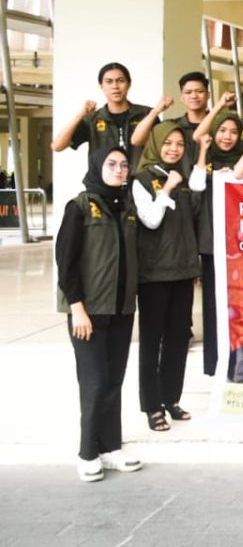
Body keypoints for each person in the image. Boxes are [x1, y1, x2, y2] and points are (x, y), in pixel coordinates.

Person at [56, 147, 143, 481]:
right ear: (97, 167)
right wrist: (77, 308)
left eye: (124, 165)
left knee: (114, 381)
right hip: (89, 312)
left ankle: (111, 447)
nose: (120, 170)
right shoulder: (79, 206)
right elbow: (66, 264)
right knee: (94, 383)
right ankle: (87, 453)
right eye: (112, 164)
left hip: (121, 310)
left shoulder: (126, 207)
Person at [132, 122, 204, 432]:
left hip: (182, 271)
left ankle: (171, 398)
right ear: (156, 145)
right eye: (168, 143)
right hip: (154, 275)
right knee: (152, 341)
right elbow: (150, 220)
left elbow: (196, 201)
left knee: (178, 337)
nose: (174, 149)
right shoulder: (141, 180)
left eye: (179, 144)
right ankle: (151, 406)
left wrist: (201, 151)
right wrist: (168, 188)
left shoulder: (184, 179)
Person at [194, 111, 243, 376]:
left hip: (239, 245)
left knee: (238, 305)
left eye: (233, 131)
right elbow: (197, 186)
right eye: (222, 130)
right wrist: (203, 152)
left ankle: (239, 362)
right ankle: (215, 365)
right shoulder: (205, 158)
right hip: (212, 244)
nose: (227, 136)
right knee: (212, 306)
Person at [52, 62, 155, 163]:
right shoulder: (92, 119)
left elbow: (161, 147)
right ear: (101, 86)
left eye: (120, 80)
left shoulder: (146, 114)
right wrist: (80, 115)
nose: (115, 86)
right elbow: (57, 146)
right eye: (109, 81)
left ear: (129, 84)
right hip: (103, 179)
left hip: (139, 179)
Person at [130, 71, 211, 164]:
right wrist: (156, 111)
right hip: (176, 178)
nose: (194, 96)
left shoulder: (220, 126)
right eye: (188, 92)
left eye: (199, 91)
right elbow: (136, 140)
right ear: (182, 97)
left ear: (208, 95)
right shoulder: (172, 126)